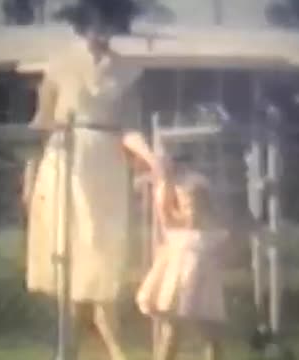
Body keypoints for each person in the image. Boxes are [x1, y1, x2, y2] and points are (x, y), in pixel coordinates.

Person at [21, 17, 159, 360]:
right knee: (68, 255)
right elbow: (41, 124)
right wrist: (28, 175)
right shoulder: (58, 64)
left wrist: (152, 163)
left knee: (103, 255)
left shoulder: (127, 70)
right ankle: (66, 349)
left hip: (106, 165)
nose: (100, 29)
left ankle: (115, 352)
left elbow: (131, 128)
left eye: (106, 20)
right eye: (92, 20)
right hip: (64, 159)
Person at [136, 167, 228, 360]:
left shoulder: (213, 234)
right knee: (172, 331)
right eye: (186, 204)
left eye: (197, 204)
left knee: (211, 333)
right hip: (179, 287)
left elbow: (225, 246)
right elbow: (164, 207)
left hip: (204, 287)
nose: (192, 208)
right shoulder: (175, 231)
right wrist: (166, 180)